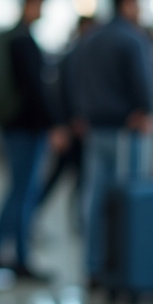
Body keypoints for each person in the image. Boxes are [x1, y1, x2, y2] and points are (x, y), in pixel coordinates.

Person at [70, 0, 153, 287]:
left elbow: (73, 78)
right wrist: (146, 110)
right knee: (129, 197)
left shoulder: (91, 39)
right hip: (125, 131)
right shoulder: (132, 40)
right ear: (128, 3)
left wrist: (80, 113)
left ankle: (94, 266)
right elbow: (142, 83)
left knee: (95, 198)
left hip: (95, 129)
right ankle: (126, 263)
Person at [0, 0, 66, 281]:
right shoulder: (23, 42)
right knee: (24, 193)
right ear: (29, 5)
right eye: (40, 5)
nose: (42, 11)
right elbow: (35, 90)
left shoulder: (10, 39)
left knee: (15, 190)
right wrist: (54, 124)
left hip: (12, 126)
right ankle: (20, 258)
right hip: (27, 129)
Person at [36, 16, 97, 224]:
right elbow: (69, 91)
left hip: (71, 125)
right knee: (60, 176)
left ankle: (79, 218)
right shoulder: (76, 56)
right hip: (72, 127)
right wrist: (73, 119)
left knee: (77, 176)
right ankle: (32, 216)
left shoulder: (75, 55)